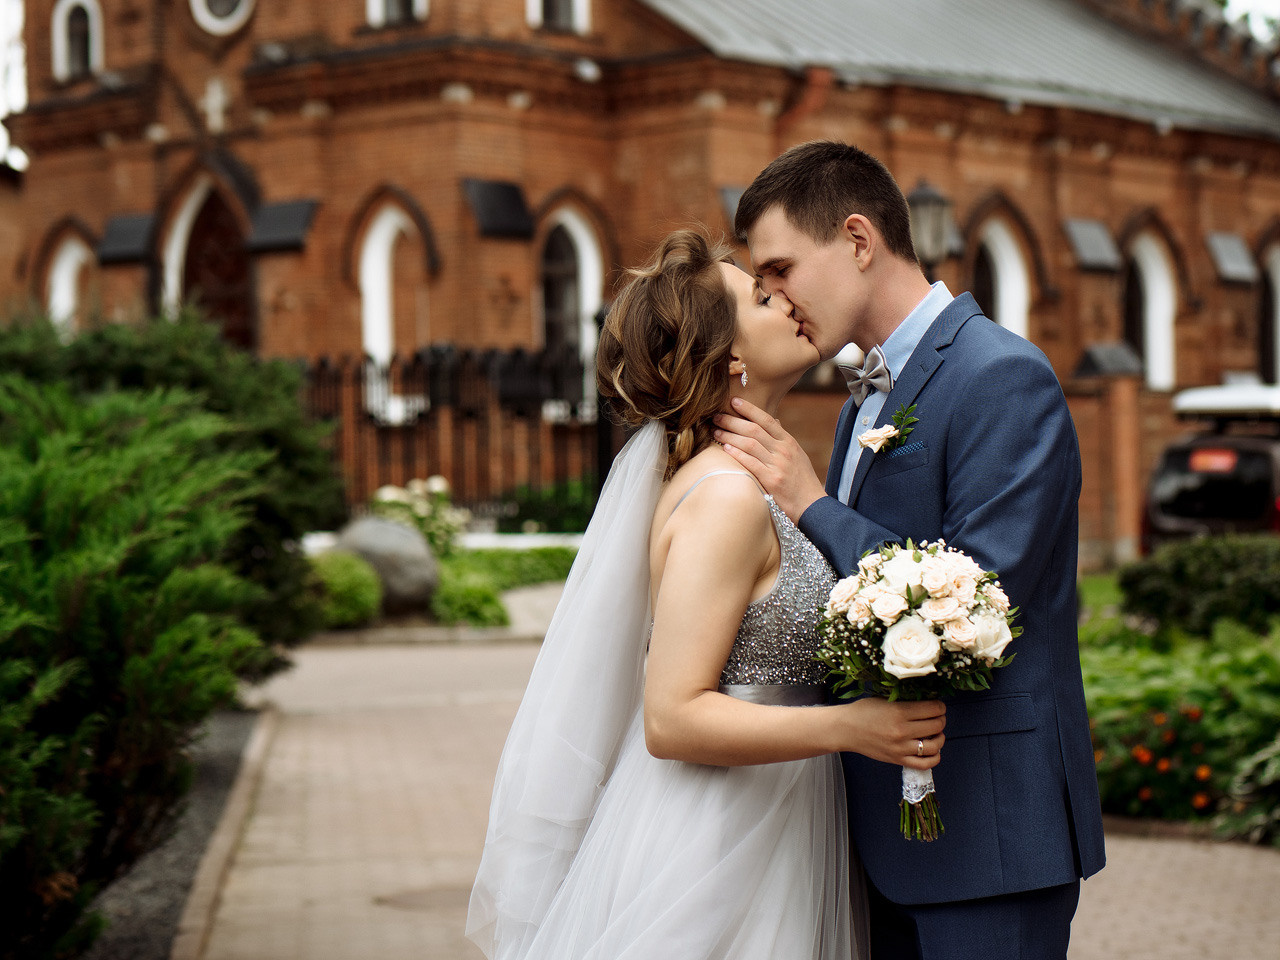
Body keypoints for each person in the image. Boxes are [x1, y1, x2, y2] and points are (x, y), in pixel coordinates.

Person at [466, 229, 947, 960]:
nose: (784, 298)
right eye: (760, 296)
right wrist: (852, 728)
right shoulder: (725, 498)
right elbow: (673, 717)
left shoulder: (756, 480)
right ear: (729, 359)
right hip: (716, 842)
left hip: (775, 820)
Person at [714, 140, 1106, 959]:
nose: (775, 298)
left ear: (859, 241)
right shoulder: (867, 396)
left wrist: (810, 501)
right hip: (883, 835)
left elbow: (982, 593)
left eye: (781, 269)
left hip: (989, 834)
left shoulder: (1002, 375)